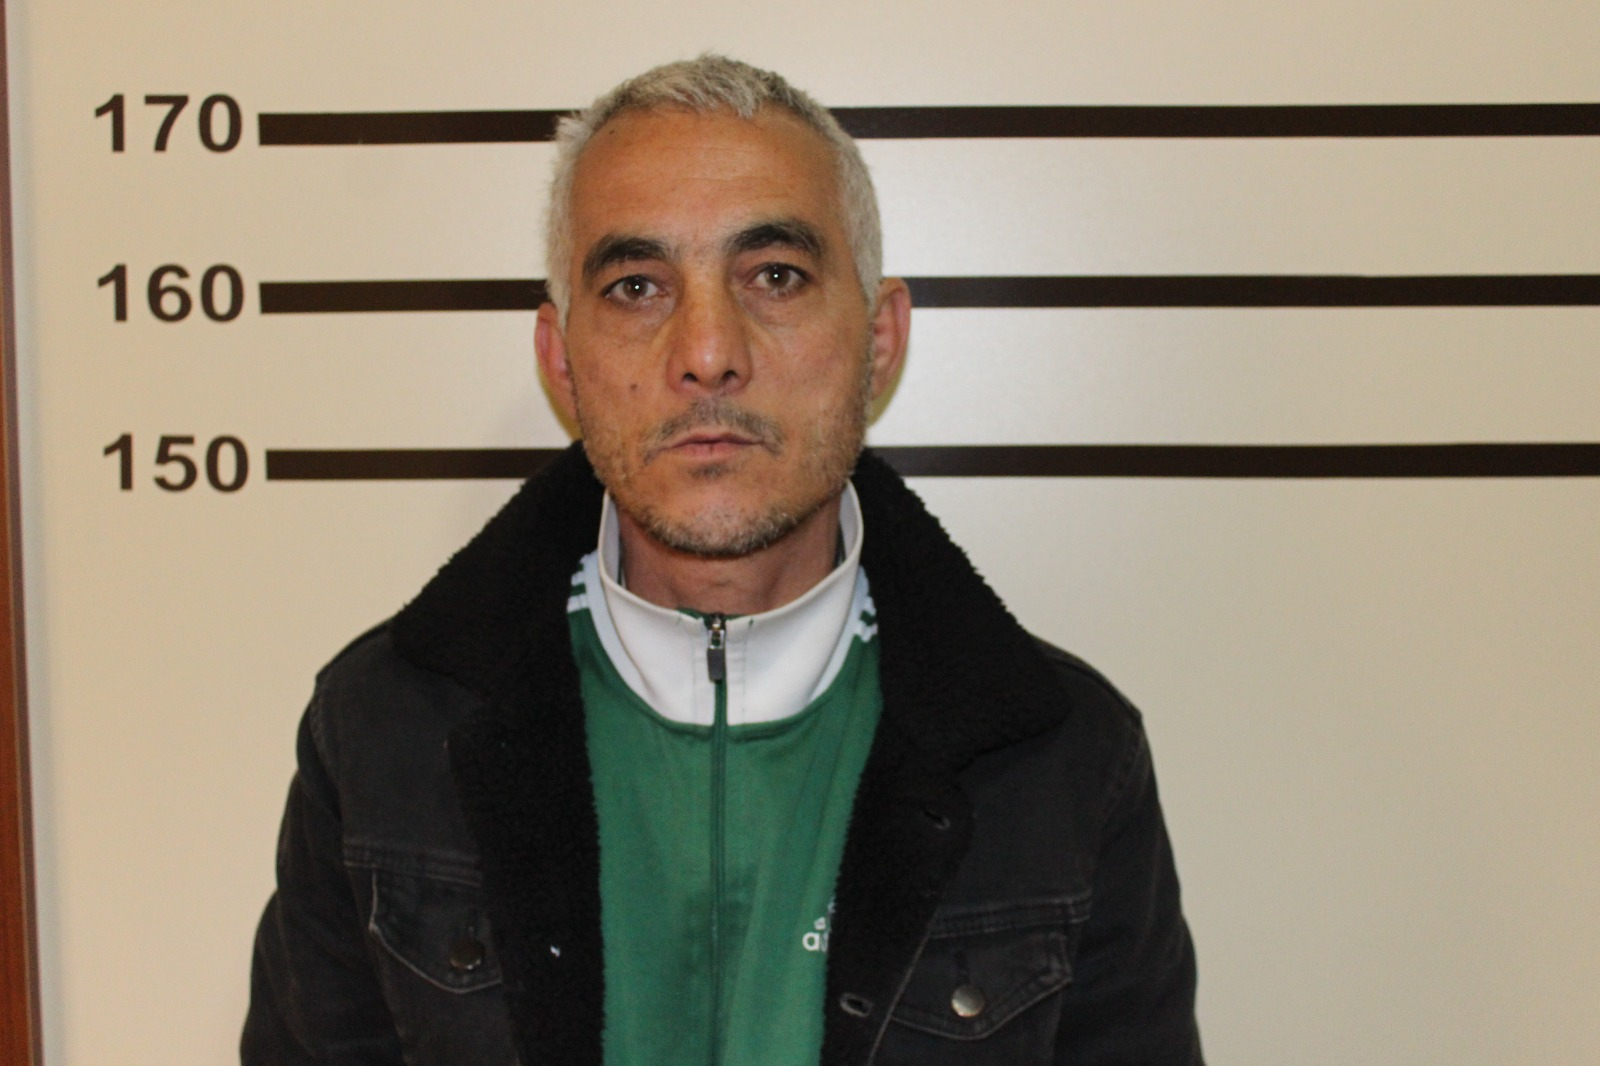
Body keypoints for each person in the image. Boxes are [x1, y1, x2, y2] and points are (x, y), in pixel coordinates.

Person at [242, 55, 1202, 1066]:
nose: (707, 352)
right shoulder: (380, 735)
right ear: (561, 358)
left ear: (879, 339)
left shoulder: (1063, 762)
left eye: (774, 276)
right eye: (636, 287)